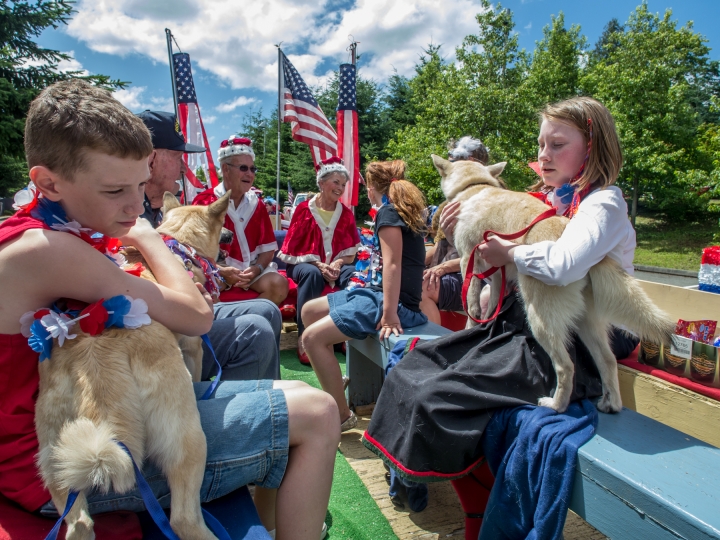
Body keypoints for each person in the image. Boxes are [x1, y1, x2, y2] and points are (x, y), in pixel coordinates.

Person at [0, 80, 338, 540]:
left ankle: (277, 517)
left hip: (107, 411)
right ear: (47, 183)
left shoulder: (60, 231)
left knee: (299, 394)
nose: (136, 204)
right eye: (117, 189)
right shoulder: (49, 249)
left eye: (140, 185)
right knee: (319, 414)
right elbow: (196, 316)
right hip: (64, 463)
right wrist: (149, 236)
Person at [363, 96, 635, 539]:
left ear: (593, 148)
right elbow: (504, 269)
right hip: (524, 325)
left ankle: (475, 511)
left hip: (577, 339)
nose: (543, 154)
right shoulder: (544, 199)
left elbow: (564, 264)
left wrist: (506, 251)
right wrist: (463, 232)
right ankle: (435, 488)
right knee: (415, 369)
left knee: (441, 394)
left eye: (557, 144)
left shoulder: (602, 203)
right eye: (541, 144)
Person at [137, 111, 282, 381]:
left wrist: (220, 273)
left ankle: (261, 396)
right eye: (179, 157)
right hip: (160, 333)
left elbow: (190, 260)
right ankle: (234, 407)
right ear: (152, 158)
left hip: (193, 304)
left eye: (253, 168)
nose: (184, 168)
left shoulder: (162, 209)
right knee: (256, 330)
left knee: (268, 310)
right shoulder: (128, 213)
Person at [301, 160, 428, 431]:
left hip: (393, 304)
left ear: (371, 188)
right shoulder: (394, 211)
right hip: (373, 293)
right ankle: (335, 381)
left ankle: (343, 415)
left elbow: (393, 264)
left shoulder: (389, 213)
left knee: (311, 338)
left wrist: (391, 314)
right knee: (309, 311)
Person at [277, 157, 361, 364]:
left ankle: (345, 333)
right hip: (303, 264)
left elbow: (350, 252)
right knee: (311, 274)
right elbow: (293, 249)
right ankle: (305, 337)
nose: (340, 188)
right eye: (336, 182)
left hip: (336, 266)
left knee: (353, 276)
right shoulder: (304, 210)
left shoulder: (347, 214)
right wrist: (319, 264)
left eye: (343, 184)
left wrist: (338, 264)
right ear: (321, 183)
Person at [193, 136, 289, 305]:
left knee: (279, 285)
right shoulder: (204, 202)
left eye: (253, 169)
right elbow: (192, 251)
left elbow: (268, 249)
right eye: (243, 168)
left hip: (250, 272)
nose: (249, 174)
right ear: (225, 169)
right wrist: (221, 271)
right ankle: (222, 327)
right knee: (202, 287)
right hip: (216, 270)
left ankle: (253, 319)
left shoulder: (257, 204)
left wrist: (256, 269)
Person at [420, 137, 490, 324]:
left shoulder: (490, 197)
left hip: (479, 277)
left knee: (420, 289)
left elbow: (484, 254)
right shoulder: (452, 200)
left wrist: (441, 269)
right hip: (450, 271)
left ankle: (432, 348)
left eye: (452, 164)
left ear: (472, 163)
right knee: (406, 280)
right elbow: (440, 246)